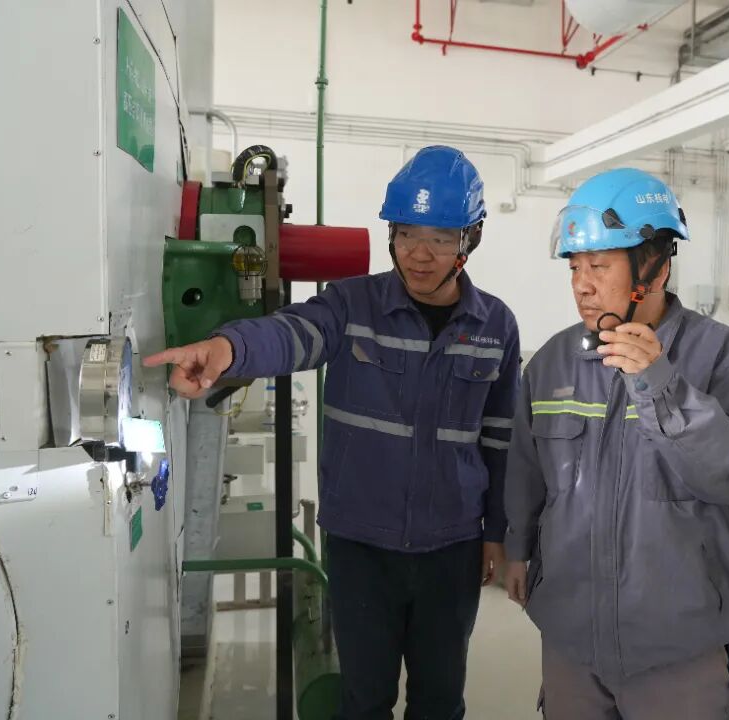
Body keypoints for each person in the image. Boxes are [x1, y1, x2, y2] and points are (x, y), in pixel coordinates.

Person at [145, 145, 520, 720]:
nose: (419, 254)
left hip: (452, 547)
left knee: (441, 700)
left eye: (441, 238)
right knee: (363, 700)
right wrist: (227, 348)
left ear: (470, 239)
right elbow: (293, 334)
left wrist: (496, 532)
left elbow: (498, 437)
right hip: (361, 545)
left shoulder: (495, 326)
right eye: (406, 234)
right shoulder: (351, 305)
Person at [502, 167, 729, 720]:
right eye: (574, 266)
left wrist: (663, 387)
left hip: (678, 646)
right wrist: (518, 548)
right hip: (570, 636)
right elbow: (527, 468)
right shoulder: (553, 361)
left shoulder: (718, 356)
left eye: (599, 265)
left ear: (654, 266)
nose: (581, 284)